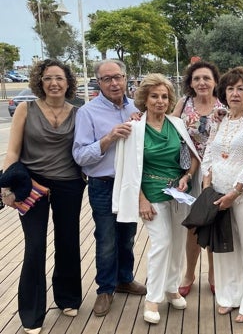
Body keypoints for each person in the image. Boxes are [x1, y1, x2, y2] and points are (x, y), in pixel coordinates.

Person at [2, 59, 86, 334]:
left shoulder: (78, 112)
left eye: (59, 78)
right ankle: (31, 313)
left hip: (69, 184)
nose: (54, 83)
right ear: (40, 81)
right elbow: (12, 152)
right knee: (35, 246)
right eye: (48, 78)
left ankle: (68, 298)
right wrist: (5, 187)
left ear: (68, 82)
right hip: (32, 185)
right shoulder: (26, 109)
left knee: (68, 242)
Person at [112, 74, 200, 324]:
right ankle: (152, 299)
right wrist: (141, 199)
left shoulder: (177, 124)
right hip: (150, 194)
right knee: (161, 243)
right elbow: (128, 168)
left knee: (177, 241)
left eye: (164, 96)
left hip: (178, 193)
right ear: (145, 99)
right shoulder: (135, 129)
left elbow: (192, 157)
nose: (160, 101)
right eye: (154, 96)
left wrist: (188, 176)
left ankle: (172, 288)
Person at [73, 59, 146, 318]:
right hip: (103, 184)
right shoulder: (87, 112)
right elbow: (80, 156)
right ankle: (105, 289)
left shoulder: (138, 108)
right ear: (99, 82)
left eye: (118, 77)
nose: (114, 83)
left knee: (127, 235)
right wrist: (108, 138)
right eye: (107, 79)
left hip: (130, 184)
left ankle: (125, 279)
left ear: (126, 78)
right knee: (106, 239)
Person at [201, 66, 243, 323]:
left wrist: (235, 192)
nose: (235, 93)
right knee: (224, 248)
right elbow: (209, 152)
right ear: (223, 93)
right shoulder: (221, 119)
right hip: (218, 192)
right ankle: (228, 297)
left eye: (241, 88)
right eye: (230, 88)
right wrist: (207, 184)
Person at [173, 60, 225, 297]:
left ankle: (215, 273)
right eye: (196, 79)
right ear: (190, 83)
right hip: (189, 172)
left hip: (219, 173)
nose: (202, 82)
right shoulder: (184, 104)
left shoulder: (224, 105)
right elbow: (167, 127)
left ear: (215, 81)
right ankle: (189, 273)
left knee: (214, 222)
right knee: (193, 224)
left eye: (206, 78)